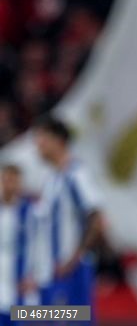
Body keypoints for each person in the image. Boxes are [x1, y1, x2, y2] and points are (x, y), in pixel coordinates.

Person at [33, 115, 104, 309]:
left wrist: (74, 260)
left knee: (75, 320)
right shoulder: (50, 178)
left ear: (59, 141)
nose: (37, 144)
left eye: (42, 138)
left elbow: (97, 219)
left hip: (72, 272)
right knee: (35, 317)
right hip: (50, 272)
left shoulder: (76, 174)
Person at [0, 165, 36, 326]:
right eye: (5, 180)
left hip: (21, 275)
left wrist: (33, 274)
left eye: (13, 181)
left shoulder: (30, 212)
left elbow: (38, 245)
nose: (9, 185)